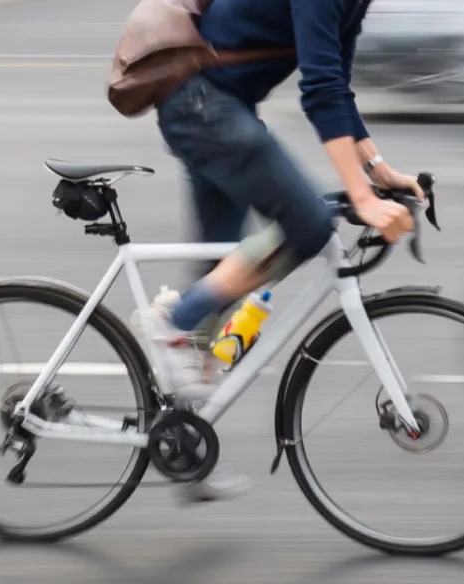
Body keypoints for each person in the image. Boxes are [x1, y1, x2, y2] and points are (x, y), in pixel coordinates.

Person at [141, 0, 423, 502]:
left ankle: (182, 449)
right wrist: (359, 194)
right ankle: (172, 322)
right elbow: (318, 91)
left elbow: (337, 85)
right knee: (308, 226)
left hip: (217, 105)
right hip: (202, 105)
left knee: (219, 277)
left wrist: (377, 171)